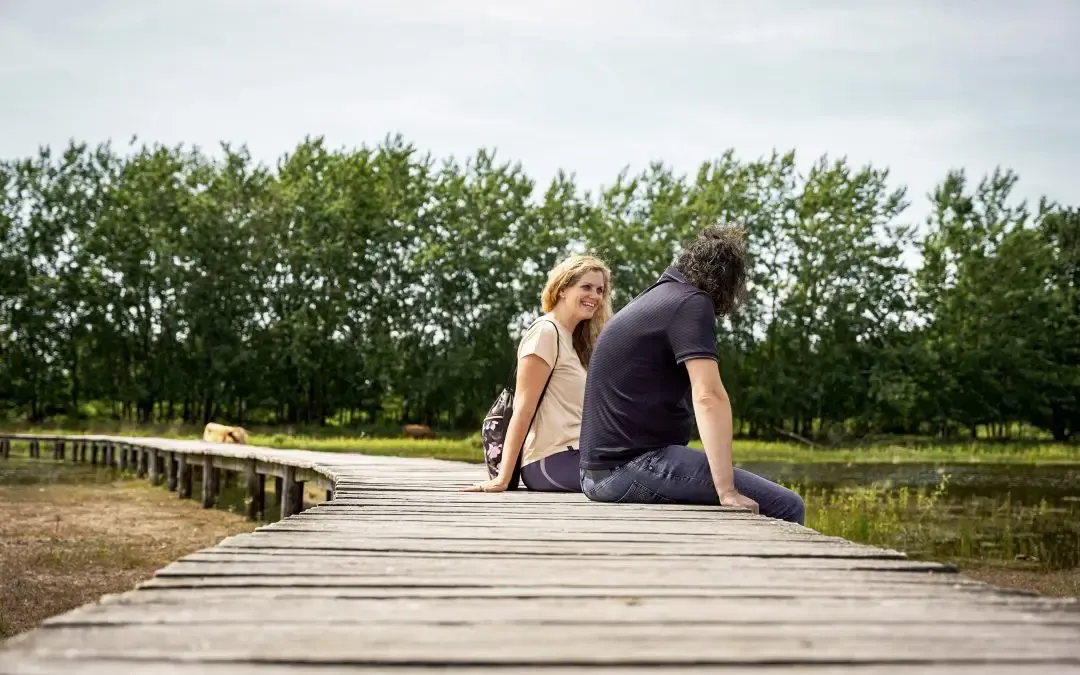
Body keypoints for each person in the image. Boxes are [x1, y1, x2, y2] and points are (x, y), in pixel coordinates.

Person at [578, 225, 805, 524]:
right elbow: (708, 395)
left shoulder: (654, 297)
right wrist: (726, 491)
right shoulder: (691, 302)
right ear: (726, 278)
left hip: (597, 473)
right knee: (788, 505)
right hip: (626, 468)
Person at [462, 254, 613, 493]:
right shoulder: (545, 332)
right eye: (586, 287)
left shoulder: (575, 342)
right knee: (637, 476)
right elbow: (523, 408)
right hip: (549, 462)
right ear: (562, 289)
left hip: (578, 456)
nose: (595, 296)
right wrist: (503, 479)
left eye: (600, 290)